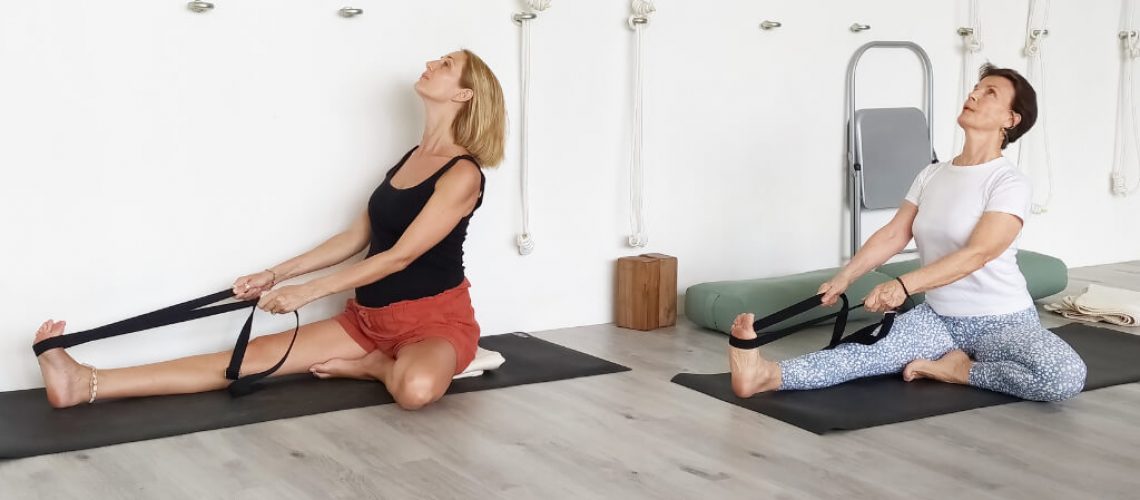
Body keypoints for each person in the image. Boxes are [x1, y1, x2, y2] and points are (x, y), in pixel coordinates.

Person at [34, 49, 506, 411]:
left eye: (446, 64)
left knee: (416, 390)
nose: (431, 63)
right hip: (369, 319)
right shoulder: (409, 159)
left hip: (434, 323)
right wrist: (274, 275)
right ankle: (85, 383)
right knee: (251, 358)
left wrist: (307, 293)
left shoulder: (463, 173)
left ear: (464, 94)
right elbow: (356, 239)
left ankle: (375, 368)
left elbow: (400, 257)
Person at [729, 64, 1087, 402]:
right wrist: (845, 278)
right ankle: (765, 375)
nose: (974, 95)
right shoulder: (932, 175)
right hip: (939, 318)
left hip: (1004, 321)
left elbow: (977, 254)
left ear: (1011, 119)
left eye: (989, 92)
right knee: (864, 355)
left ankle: (960, 370)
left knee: (1064, 376)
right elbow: (894, 234)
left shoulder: (1009, 182)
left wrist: (902, 286)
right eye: (975, 87)